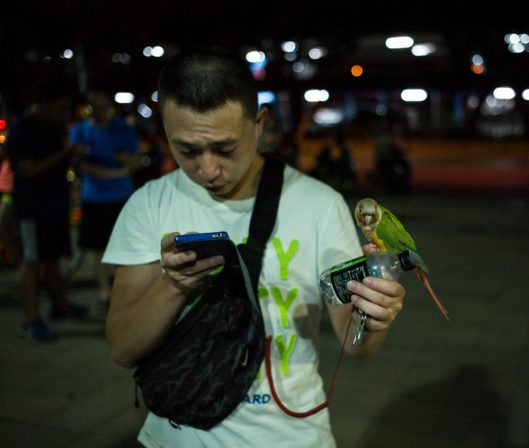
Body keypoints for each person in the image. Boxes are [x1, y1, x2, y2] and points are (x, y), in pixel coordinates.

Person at [103, 47, 407, 447]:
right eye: (188, 151)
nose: (208, 170)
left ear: (259, 122)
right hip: (175, 433)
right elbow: (123, 349)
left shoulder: (319, 205)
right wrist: (173, 285)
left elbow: (354, 342)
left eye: (225, 149)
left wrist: (374, 315)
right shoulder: (149, 204)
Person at [5, 79, 90, 342]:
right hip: (31, 208)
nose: (64, 112)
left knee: (53, 258)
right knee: (31, 262)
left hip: (54, 205)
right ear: (43, 104)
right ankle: (30, 319)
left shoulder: (52, 126)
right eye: (61, 107)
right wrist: (64, 154)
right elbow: (28, 170)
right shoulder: (22, 129)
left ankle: (59, 305)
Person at [68, 87, 140, 317]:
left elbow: (135, 161)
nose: (100, 111)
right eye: (95, 106)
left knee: (124, 246)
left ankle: (125, 292)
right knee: (98, 249)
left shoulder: (122, 128)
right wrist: (116, 170)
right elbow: (79, 164)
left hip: (121, 197)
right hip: (94, 197)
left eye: (104, 106)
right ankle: (104, 292)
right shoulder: (80, 131)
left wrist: (122, 163)